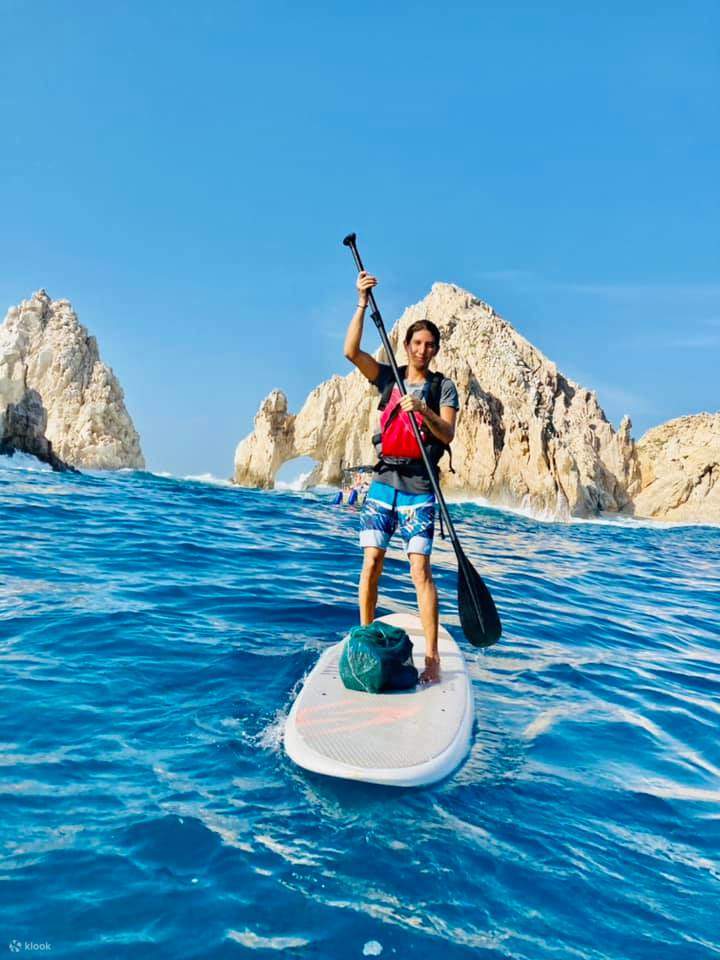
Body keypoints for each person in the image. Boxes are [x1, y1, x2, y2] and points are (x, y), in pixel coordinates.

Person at [343, 270, 459, 684]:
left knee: (419, 571)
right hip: (382, 484)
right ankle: (365, 636)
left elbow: (446, 433)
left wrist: (421, 410)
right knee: (371, 561)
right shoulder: (388, 375)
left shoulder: (443, 388)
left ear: (436, 350)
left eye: (430, 345)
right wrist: (361, 301)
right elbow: (350, 352)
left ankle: (432, 656)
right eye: (416, 344)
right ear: (407, 346)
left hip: (420, 489)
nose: (422, 350)